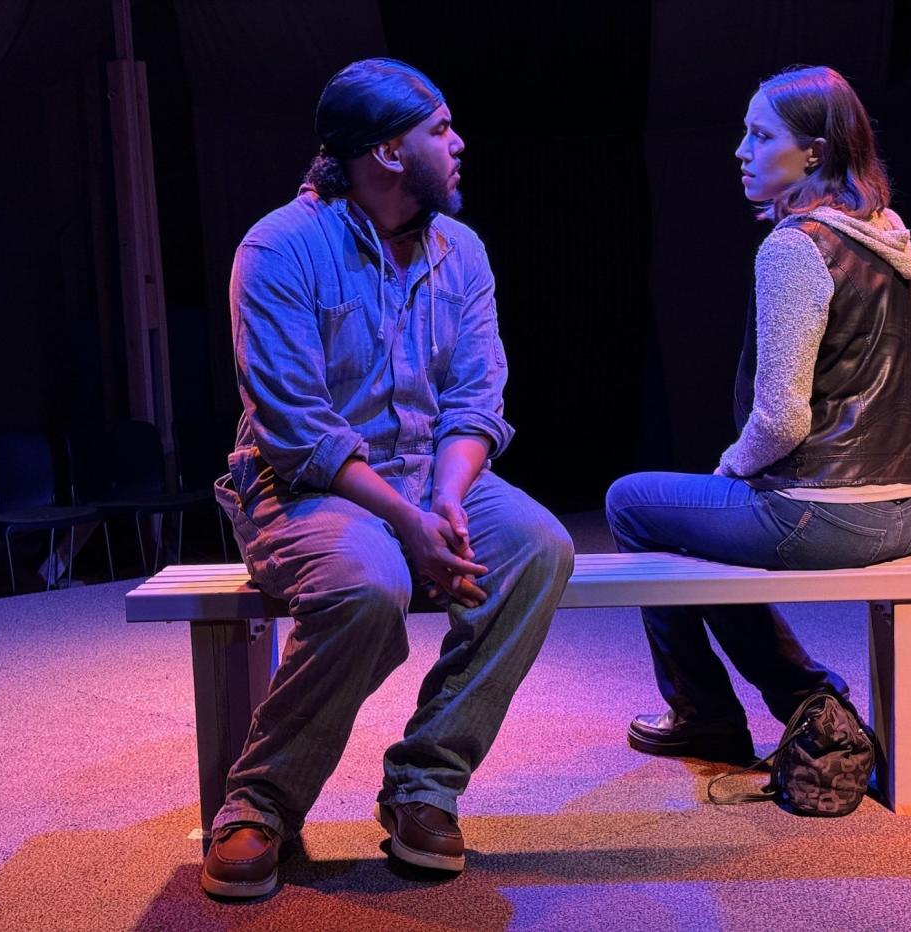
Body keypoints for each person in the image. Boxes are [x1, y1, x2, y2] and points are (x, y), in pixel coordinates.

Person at [200, 58, 574, 898]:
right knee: (368, 587)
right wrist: (407, 524)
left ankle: (424, 784)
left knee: (539, 548)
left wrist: (443, 498)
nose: (460, 142)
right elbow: (297, 431)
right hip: (304, 487)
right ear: (387, 152)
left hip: (424, 473)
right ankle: (261, 798)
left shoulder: (461, 251)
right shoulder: (280, 249)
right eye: (441, 129)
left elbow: (477, 398)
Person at [606, 65, 911, 766]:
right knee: (694, 531)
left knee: (631, 501)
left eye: (760, 135)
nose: (741, 151)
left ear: (813, 151)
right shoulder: (885, 237)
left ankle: (711, 710)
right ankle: (793, 698)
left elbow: (782, 420)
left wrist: (731, 465)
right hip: (902, 508)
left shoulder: (795, 247)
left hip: (824, 510)